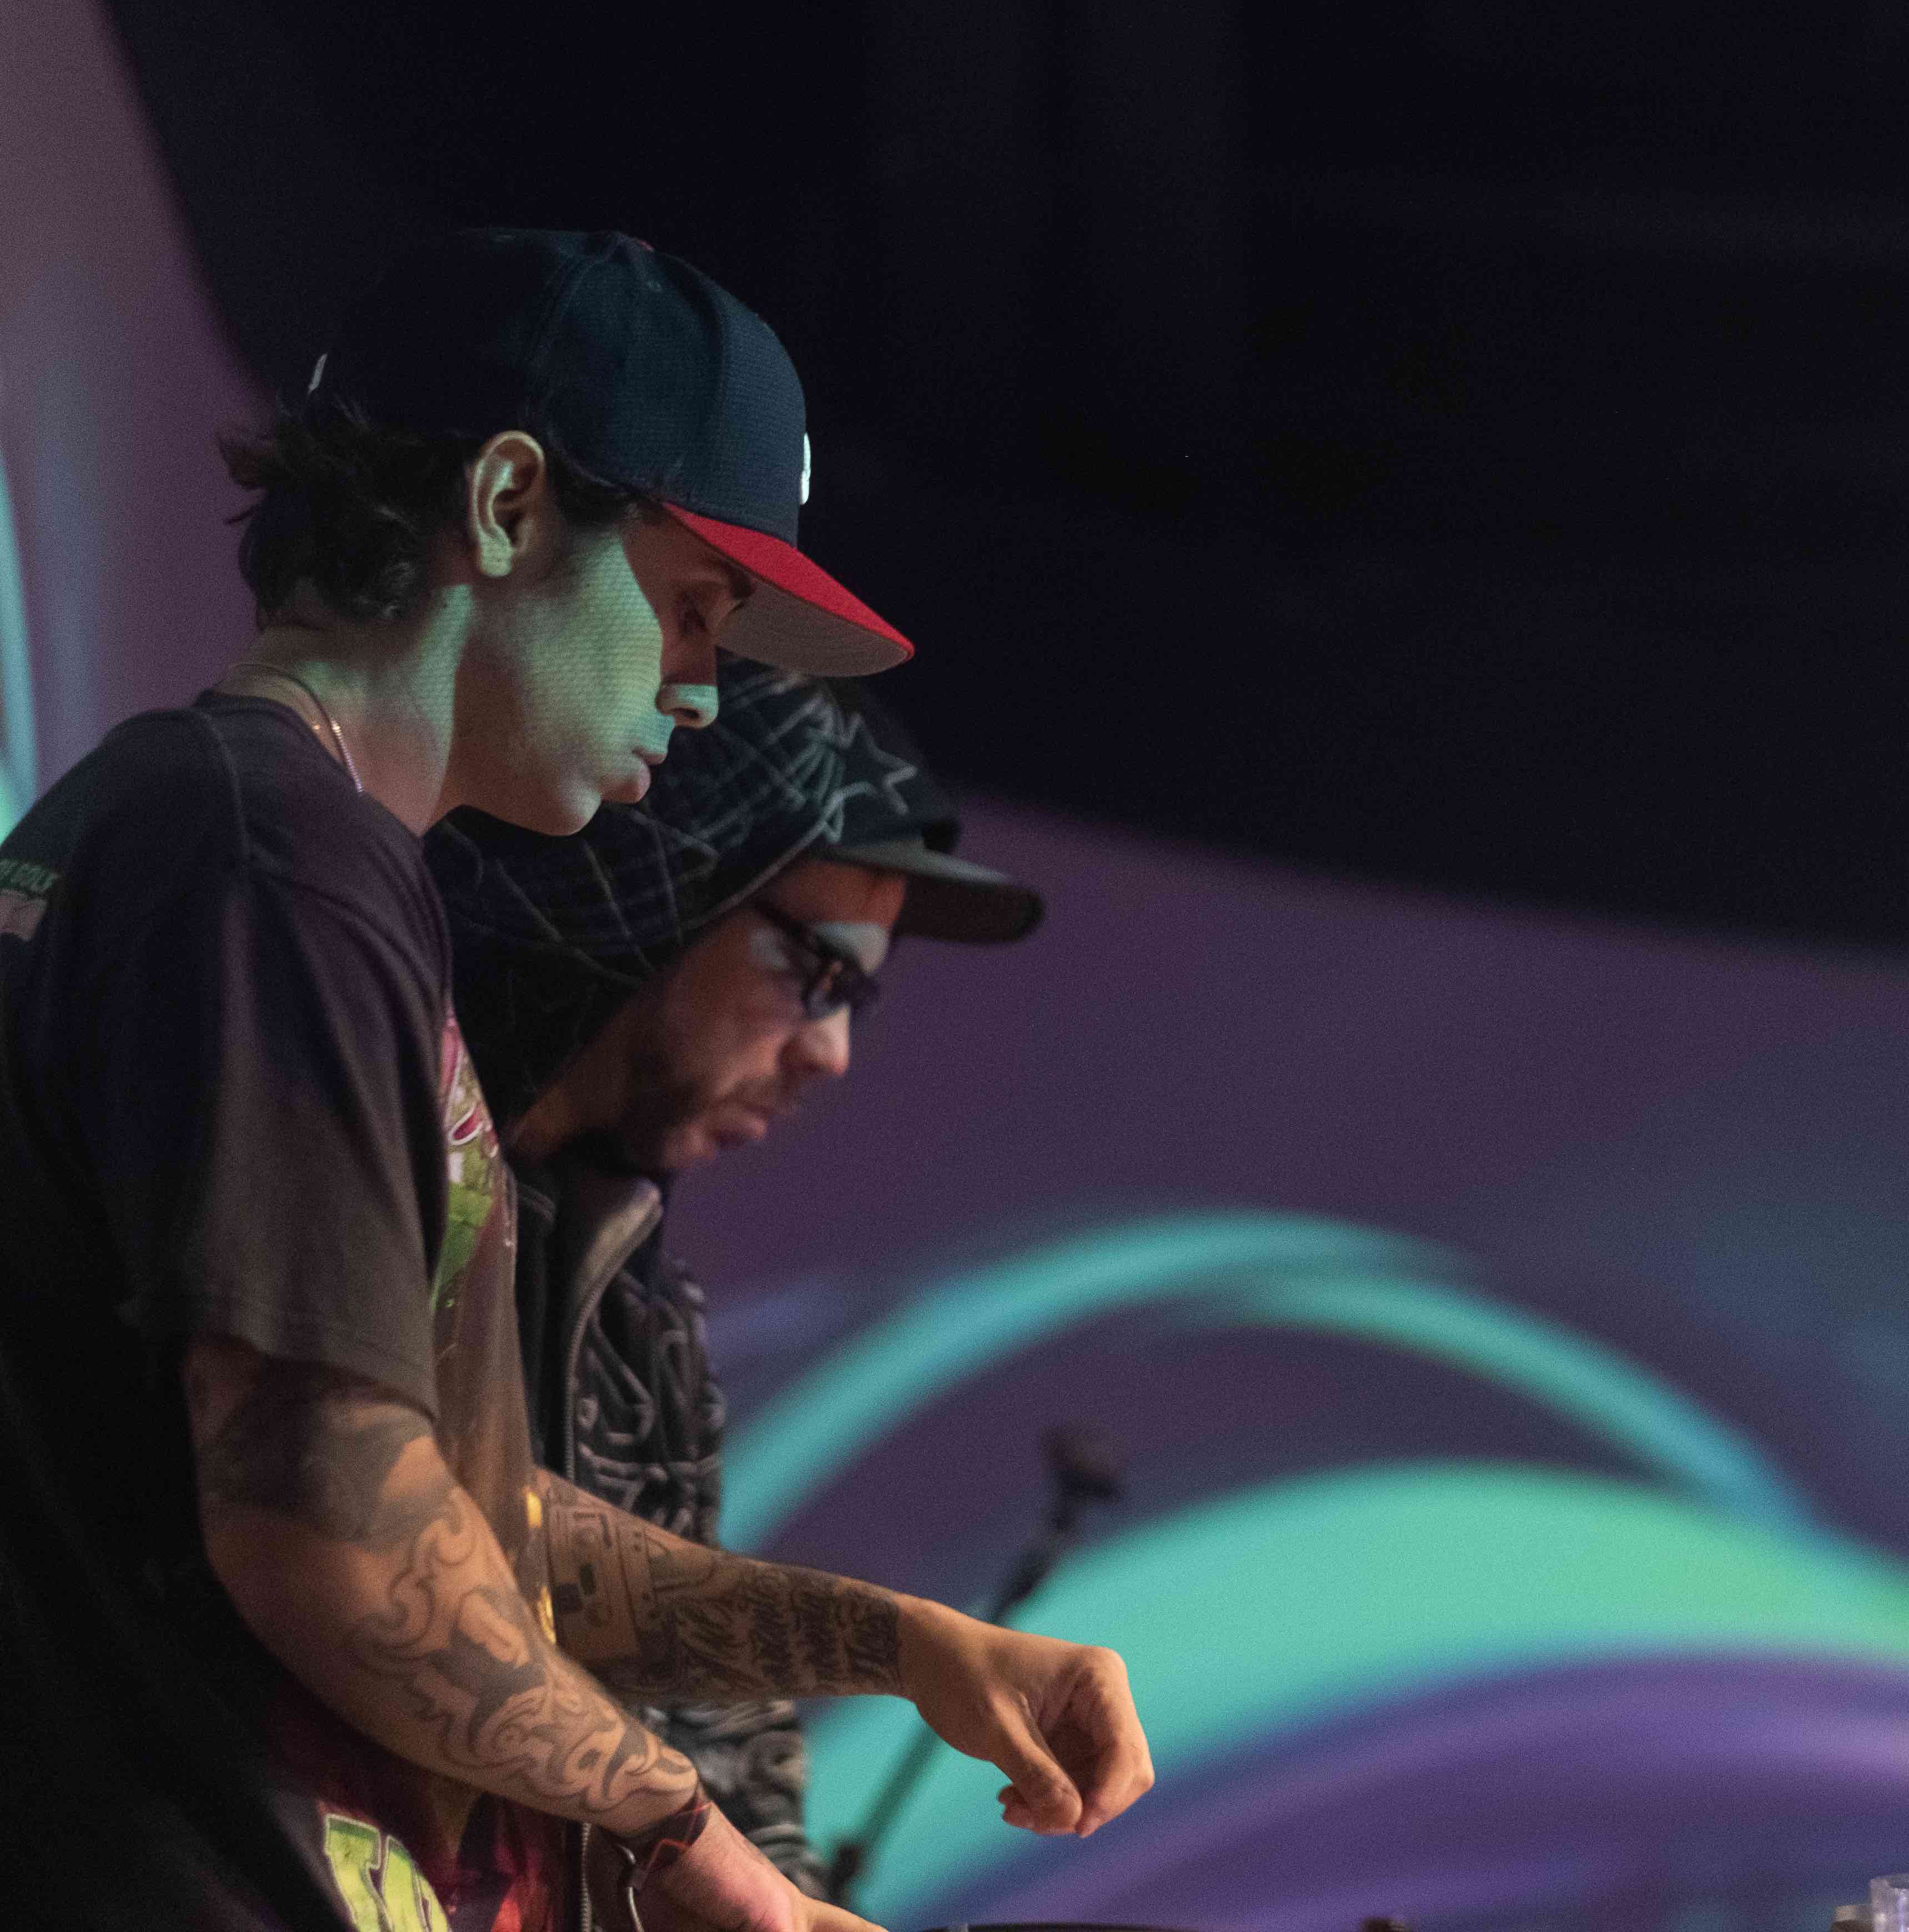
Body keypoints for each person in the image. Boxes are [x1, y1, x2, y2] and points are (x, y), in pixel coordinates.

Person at [0, 229, 1149, 1932]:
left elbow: (440, 1515)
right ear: (507, 504)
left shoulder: (252, 845)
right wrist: (714, 1866)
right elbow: (333, 1528)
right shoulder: (272, 864)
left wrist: (903, 1646)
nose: (702, 687)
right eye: (691, 609)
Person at [427, 658, 1045, 1898]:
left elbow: (710, 1723)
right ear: (661, 883)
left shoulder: (642, 1308)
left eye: (862, 998)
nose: (834, 1052)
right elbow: (392, 1549)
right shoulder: (367, 1150)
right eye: (818, 974)